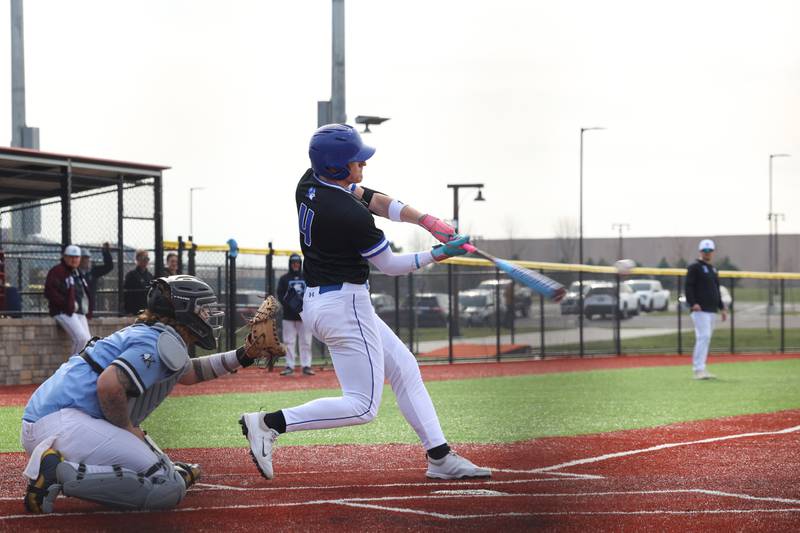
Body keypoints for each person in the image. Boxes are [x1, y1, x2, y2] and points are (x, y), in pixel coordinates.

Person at [240, 124, 490, 480]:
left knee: (404, 367)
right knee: (362, 406)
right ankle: (267, 423)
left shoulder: (310, 182)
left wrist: (425, 220)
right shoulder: (348, 214)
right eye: (357, 161)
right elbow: (389, 265)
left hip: (326, 302)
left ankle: (440, 456)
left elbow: (373, 198)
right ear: (338, 167)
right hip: (345, 305)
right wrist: (437, 254)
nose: (363, 166)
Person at [21, 275, 265, 514]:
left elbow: (189, 372)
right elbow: (109, 385)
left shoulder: (155, 334)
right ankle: (60, 471)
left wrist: (246, 355)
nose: (208, 315)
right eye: (203, 309)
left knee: (164, 472)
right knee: (168, 487)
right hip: (63, 422)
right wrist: (127, 428)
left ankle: (64, 467)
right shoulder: (158, 342)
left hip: (53, 419)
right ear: (183, 309)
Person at [685, 239, 728, 380]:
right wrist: (693, 303)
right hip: (699, 309)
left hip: (711, 309)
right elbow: (688, 286)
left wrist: (722, 308)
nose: (707, 253)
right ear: (700, 251)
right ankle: (698, 369)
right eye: (705, 250)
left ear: (713, 252)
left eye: (710, 251)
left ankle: (701, 368)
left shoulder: (713, 269)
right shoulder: (694, 267)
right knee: (704, 337)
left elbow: (716, 289)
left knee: (705, 338)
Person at [44, 245, 92, 355]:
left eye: (76, 257)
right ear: (64, 257)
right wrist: (66, 304)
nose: (74, 260)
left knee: (88, 342)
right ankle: (72, 369)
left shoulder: (77, 272)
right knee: (81, 338)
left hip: (79, 312)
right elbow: (49, 292)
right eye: (71, 257)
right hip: (63, 311)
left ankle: (81, 367)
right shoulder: (57, 271)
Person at [276, 253, 315, 376]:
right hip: (288, 316)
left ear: (300, 264)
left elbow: (312, 294)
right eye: (293, 263)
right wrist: (291, 305)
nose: (296, 265)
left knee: (306, 342)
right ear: (290, 264)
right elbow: (280, 295)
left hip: (305, 316)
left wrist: (303, 306)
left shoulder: (307, 278)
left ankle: (306, 366)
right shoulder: (284, 279)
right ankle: (289, 366)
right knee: (288, 342)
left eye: (298, 263)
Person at [80, 243, 114, 312]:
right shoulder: (75, 272)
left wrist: (106, 252)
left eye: (87, 258)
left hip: (90, 303)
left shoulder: (93, 271)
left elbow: (109, 267)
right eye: (83, 258)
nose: (85, 260)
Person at [124, 250, 153, 315]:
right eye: (143, 258)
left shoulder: (150, 276)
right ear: (137, 259)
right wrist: (129, 311)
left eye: (147, 259)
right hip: (135, 309)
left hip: (146, 309)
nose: (146, 261)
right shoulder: (131, 275)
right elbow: (127, 295)